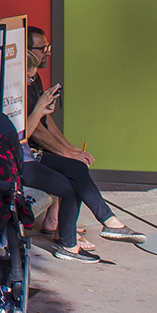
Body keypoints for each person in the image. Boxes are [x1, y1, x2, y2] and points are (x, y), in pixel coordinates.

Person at [19, 27, 143, 262]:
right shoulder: (11, 94)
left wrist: (69, 149)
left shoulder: (29, 81)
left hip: (30, 154)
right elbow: (25, 133)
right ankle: (68, 244)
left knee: (77, 169)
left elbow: (39, 124)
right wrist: (40, 113)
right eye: (27, 76)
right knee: (69, 185)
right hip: (19, 159)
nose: (30, 80)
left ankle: (109, 222)